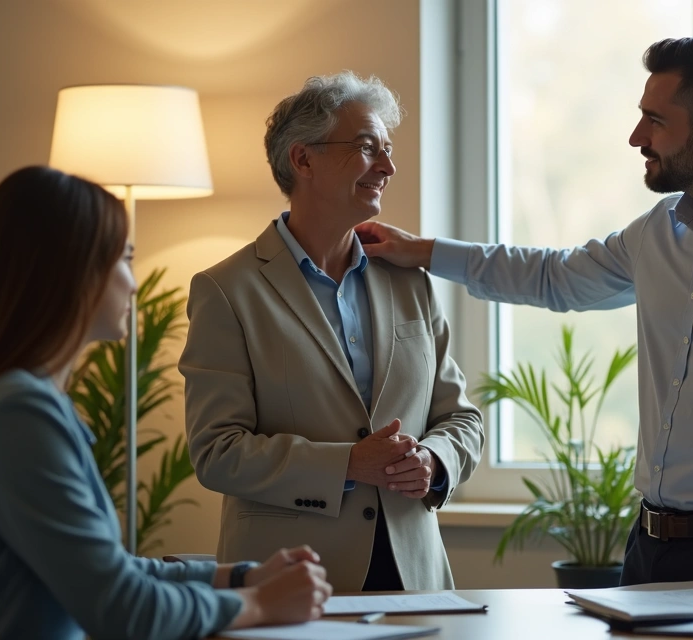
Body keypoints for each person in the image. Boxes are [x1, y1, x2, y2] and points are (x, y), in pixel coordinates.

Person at [356, 32, 693, 598]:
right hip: (648, 550)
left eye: (654, 121)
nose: (637, 137)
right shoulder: (657, 232)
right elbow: (554, 276)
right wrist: (424, 252)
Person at [0, 166, 333, 639]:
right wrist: (259, 604)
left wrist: (240, 577)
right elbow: (122, 609)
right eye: (125, 258)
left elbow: (113, 571)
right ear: (70, 270)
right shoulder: (15, 416)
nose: (134, 283)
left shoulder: (8, 401)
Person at [179, 72, 484, 593]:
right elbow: (217, 451)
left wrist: (435, 461)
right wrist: (347, 464)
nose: (388, 167)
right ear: (303, 160)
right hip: (292, 581)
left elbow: (461, 418)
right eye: (369, 149)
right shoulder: (226, 290)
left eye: (388, 151)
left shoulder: (409, 280)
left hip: (416, 580)